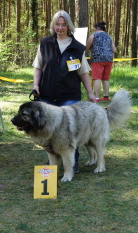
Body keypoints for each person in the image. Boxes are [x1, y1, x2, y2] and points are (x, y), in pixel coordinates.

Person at [32, 10, 95, 173]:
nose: (60, 28)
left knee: (69, 130)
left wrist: (90, 93)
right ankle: (53, 162)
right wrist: (36, 86)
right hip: (47, 95)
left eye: (63, 24)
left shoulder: (77, 48)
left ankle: (73, 164)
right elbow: (38, 67)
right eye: (57, 24)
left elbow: (83, 73)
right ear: (53, 25)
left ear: (69, 26)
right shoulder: (44, 43)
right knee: (48, 130)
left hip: (69, 95)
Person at [85, 21, 116, 102]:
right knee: (105, 78)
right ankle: (106, 96)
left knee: (96, 78)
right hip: (109, 59)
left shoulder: (93, 35)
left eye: (94, 29)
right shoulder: (109, 36)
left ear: (97, 28)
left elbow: (87, 47)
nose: (93, 30)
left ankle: (97, 97)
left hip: (97, 59)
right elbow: (114, 50)